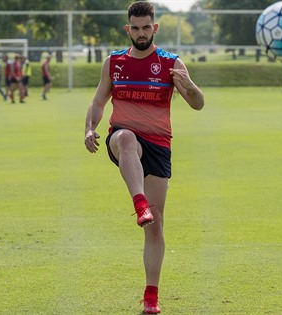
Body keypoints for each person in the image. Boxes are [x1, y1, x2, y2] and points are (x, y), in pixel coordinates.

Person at [83, 2, 204, 314]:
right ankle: (138, 203)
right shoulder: (114, 63)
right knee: (125, 139)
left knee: (156, 224)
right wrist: (89, 129)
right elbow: (98, 100)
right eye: (135, 28)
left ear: (155, 28)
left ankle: (151, 296)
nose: (140, 33)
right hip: (124, 139)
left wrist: (190, 86)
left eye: (145, 27)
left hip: (159, 145)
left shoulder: (170, 63)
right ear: (128, 29)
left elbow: (198, 104)